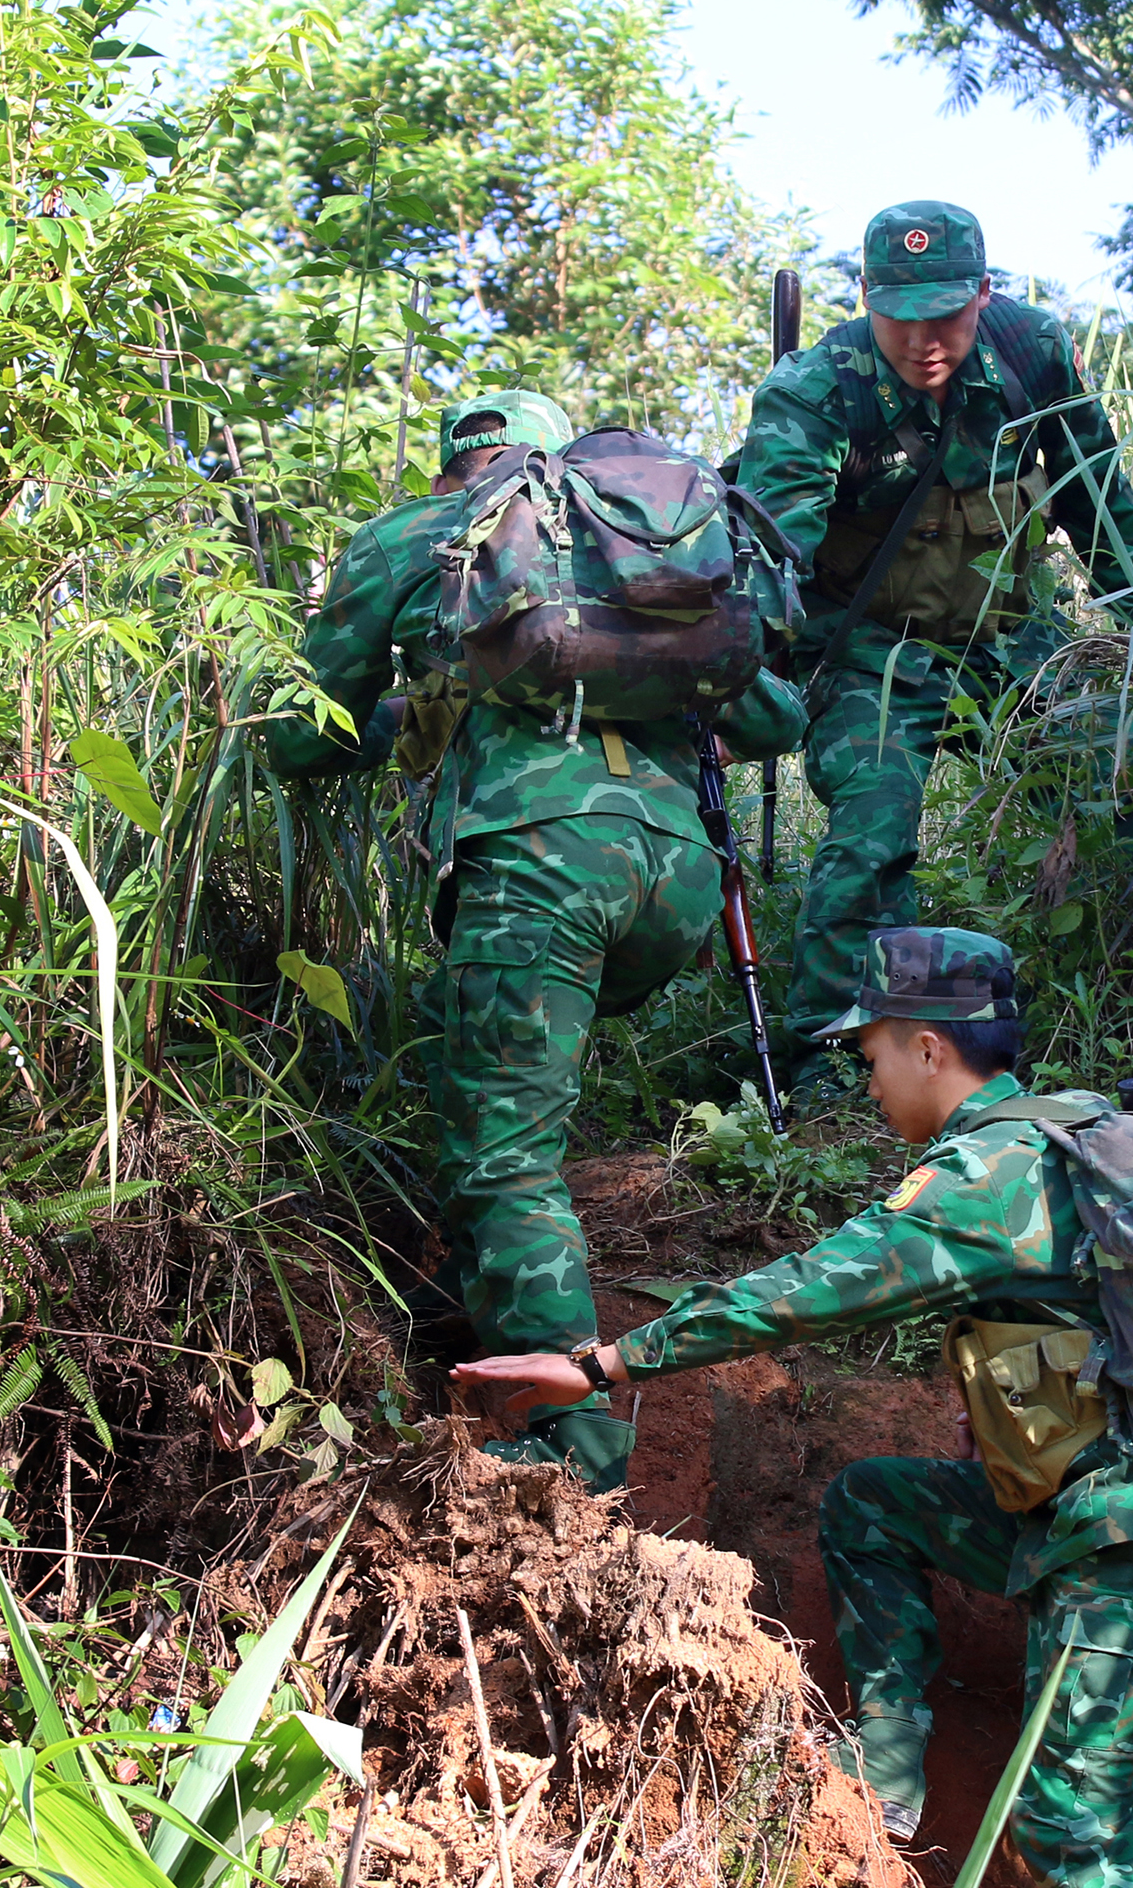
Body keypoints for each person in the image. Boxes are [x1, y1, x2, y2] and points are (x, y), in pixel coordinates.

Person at [453, 927, 1133, 1888]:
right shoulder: (1085, 1134)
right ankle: (887, 1770)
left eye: (873, 1053)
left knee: (1071, 1815)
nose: (867, 1079)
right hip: (1105, 1505)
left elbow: (810, 1293)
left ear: (930, 1048)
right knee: (871, 1505)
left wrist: (596, 1368)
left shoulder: (993, 1177)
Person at [269, 391, 807, 1495]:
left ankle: (573, 1453)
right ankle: (459, 1298)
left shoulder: (421, 536)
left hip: (537, 868)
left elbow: (298, 734)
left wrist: (408, 709)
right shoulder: (623, 546)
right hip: (674, 884)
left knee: (507, 1151)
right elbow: (772, 721)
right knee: (467, 1059)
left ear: (451, 465)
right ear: (553, 460)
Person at [735, 201, 1133, 1098]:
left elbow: (1099, 500)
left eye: (948, 313)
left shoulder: (1029, 352)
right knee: (872, 829)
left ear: (984, 292)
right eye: (902, 314)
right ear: (863, 297)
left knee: (1123, 785)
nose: (927, 339)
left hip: (1010, 641)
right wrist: (750, 670)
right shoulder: (818, 391)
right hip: (871, 654)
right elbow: (773, 556)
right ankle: (829, 1060)